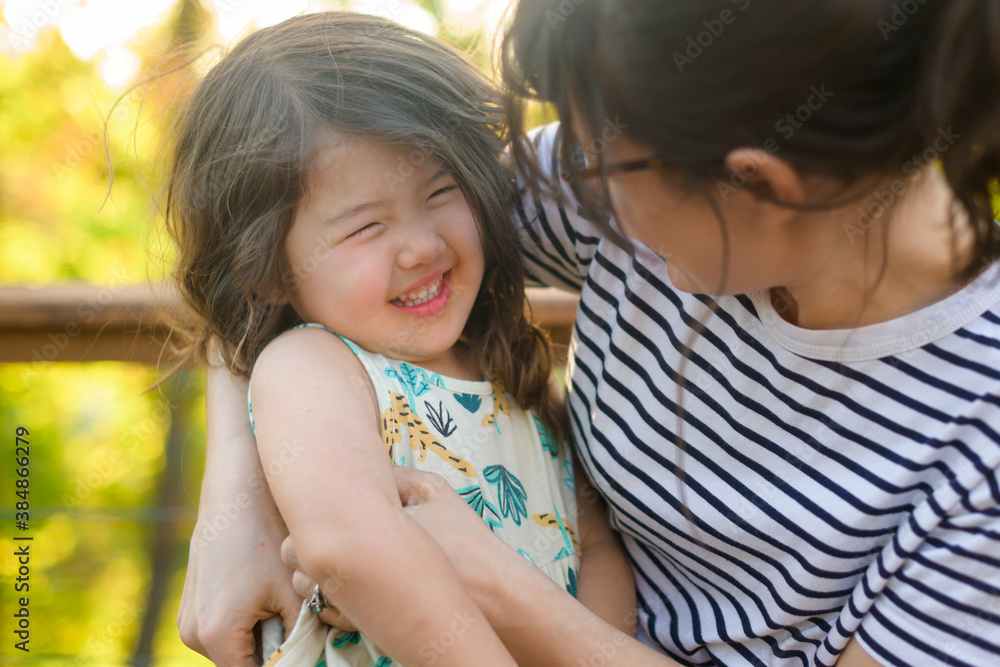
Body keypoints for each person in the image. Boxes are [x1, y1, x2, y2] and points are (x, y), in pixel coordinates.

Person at [180, 0, 1000, 665]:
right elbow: (283, 246)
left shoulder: (981, 447)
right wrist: (238, 499)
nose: (572, 169)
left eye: (604, 158)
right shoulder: (635, 175)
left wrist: (504, 592)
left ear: (758, 183)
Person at [163, 11, 635, 667]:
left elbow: (599, 545)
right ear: (265, 271)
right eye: (365, 227)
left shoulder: (511, 371)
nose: (421, 244)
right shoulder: (314, 367)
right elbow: (348, 544)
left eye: (442, 190)